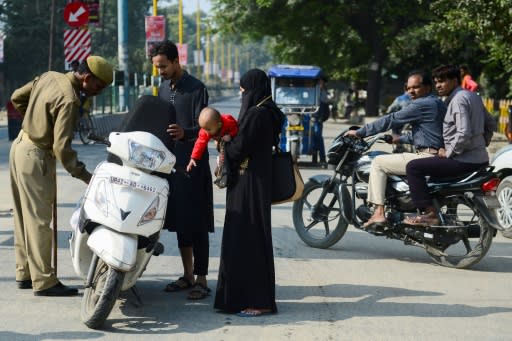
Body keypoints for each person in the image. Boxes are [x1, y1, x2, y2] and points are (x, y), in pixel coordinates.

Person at [9, 56, 113, 296]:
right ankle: (44, 281)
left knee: (23, 216)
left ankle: (25, 272)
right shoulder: (70, 99)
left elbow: (17, 97)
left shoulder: (49, 76)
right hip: (36, 155)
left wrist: (34, 120)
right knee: (39, 220)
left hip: (20, 146)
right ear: (86, 78)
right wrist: (85, 175)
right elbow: (62, 149)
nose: (98, 93)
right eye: (98, 87)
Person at [214, 69, 284, 317]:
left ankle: (259, 300)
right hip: (253, 182)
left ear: (252, 88)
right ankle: (240, 298)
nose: (241, 93)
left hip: (249, 185)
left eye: (243, 89)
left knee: (249, 239)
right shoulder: (269, 112)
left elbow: (237, 151)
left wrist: (223, 140)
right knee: (247, 238)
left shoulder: (256, 115)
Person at [151, 40, 214, 300]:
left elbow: (208, 128)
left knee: (197, 223)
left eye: (164, 66)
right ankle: (187, 275)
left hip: (194, 166)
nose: (160, 72)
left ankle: (201, 278)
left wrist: (185, 133)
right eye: (157, 67)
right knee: (180, 224)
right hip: (171, 166)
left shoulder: (197, 88)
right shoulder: (164, 89)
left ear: (176, 61)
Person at [344, 70, 446, 228]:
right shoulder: (438, 103)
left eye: (416, 87)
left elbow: (391, 119)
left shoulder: (421, 104)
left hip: (426, 156)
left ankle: (378, 213)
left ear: (427, 87)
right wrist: (400, 138)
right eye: (408, 87)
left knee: (378, 162)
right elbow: (428, 134)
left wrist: (360, 132)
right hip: (435, 154)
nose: (411, 91)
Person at [405, 65, 495, 225]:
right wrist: (481, 144)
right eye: (436, 82)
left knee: (413, 167)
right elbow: (490, 123)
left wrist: (449, 152)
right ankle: (448, 212)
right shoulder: (472, 96)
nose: (438, 85)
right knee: (433, 176)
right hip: (479, 159)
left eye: (442, 81)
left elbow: (464, 132)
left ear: (454, 81)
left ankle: (430, 214)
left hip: (463, 160)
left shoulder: (458, 100)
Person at [186, 107, 238, 188]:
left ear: (219, 125)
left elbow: (237, 129)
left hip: (231, 142)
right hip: (221, 145)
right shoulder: (205, 130)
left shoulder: (228, 121)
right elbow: (200, 143)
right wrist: (193, 157)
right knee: (222, 158)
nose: (206, 132)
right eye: (203, 128)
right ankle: (221, 171)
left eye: (208, 129)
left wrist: (230, 135)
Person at [311, 76, 329, 166]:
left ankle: (322, 158)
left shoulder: (323, 93)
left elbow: (325, 108)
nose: (320, 84)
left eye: (321, 82)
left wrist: (322, 118)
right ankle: (314, 157)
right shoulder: (311, 91)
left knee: (318, 137)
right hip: (308, 118)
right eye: (319, 82)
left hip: (318, 119)